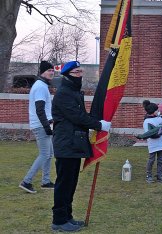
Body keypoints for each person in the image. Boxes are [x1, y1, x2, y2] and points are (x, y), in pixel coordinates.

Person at [51, 61, 111, 232]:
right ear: (68, 74)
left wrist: (97, 121)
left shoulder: (73, 91)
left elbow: (81, 116)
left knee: (71, 184)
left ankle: (67, 217)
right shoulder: (64, 93)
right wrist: (98, 125)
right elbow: (77, 117)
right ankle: (59, 220)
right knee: (64, 185)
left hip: (73, 144)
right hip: (67, 145)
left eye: (81, 71)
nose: (80, 74)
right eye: (76, 72)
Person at [19, 61, 55, 194]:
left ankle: (46, 182)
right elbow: (39, 110)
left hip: (44, 124)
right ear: (42, 72)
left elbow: (43, 109)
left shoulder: (42, 85)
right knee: (45, 154)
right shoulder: (40, 86)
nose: (51, 72)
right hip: (41, 126)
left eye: (52, 70)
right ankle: (26, 181)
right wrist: (47, 127)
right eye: (48, 70)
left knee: (49, 154)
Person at [143, 102, 162, 183]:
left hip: (161, 142)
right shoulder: (147, 121)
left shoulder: (159, 118)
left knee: (160, 160)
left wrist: (160, 131)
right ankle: (148, 175)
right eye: (157, 110)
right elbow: (149, 133)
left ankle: (159, 175)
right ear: (153, 111)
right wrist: (157, 133)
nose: (158, 111)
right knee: (151, 160)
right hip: (153, 143)